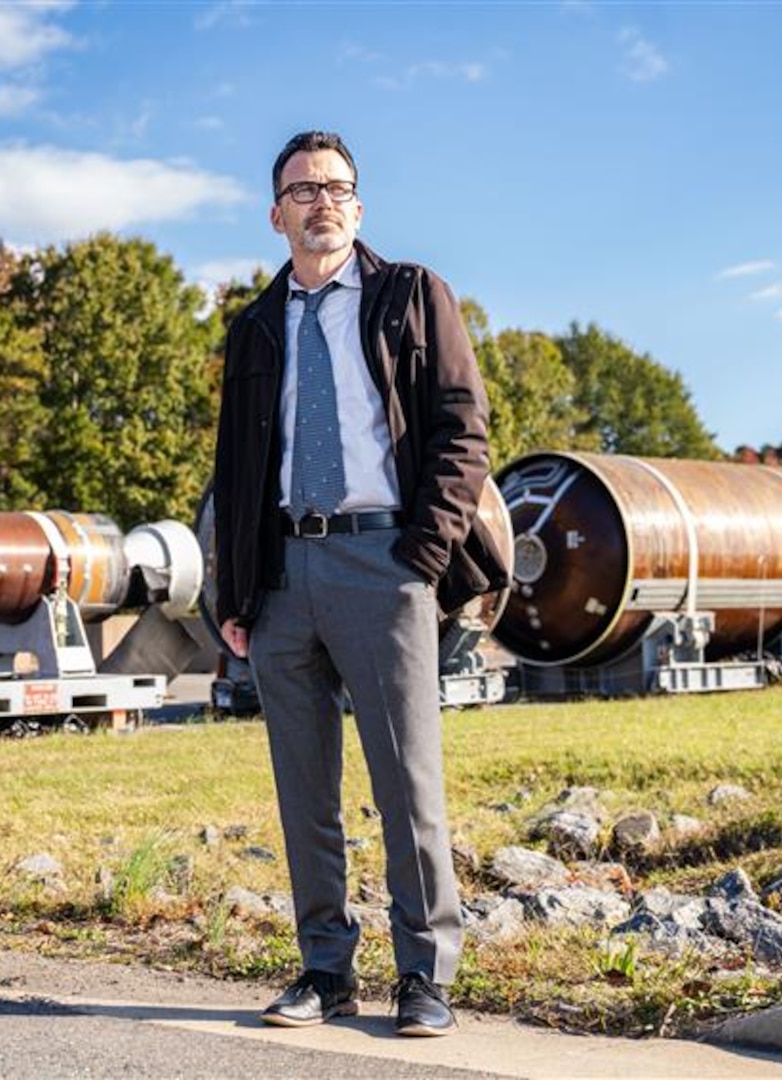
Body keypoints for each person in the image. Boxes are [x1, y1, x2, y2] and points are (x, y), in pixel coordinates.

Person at [212, 130, 503, 1037]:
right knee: (305, 790)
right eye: (302, 190)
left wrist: (421, 554)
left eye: (337, 188)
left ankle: (425, 977)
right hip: (284, 576)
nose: (321, 202)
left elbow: (464, 433)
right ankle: (325, 971)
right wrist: (234, 595)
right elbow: (236, 467)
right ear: (276, 214)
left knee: (407, 782)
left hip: (384, 563)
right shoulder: (254, 328)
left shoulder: (412, 296)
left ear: (358, 207)